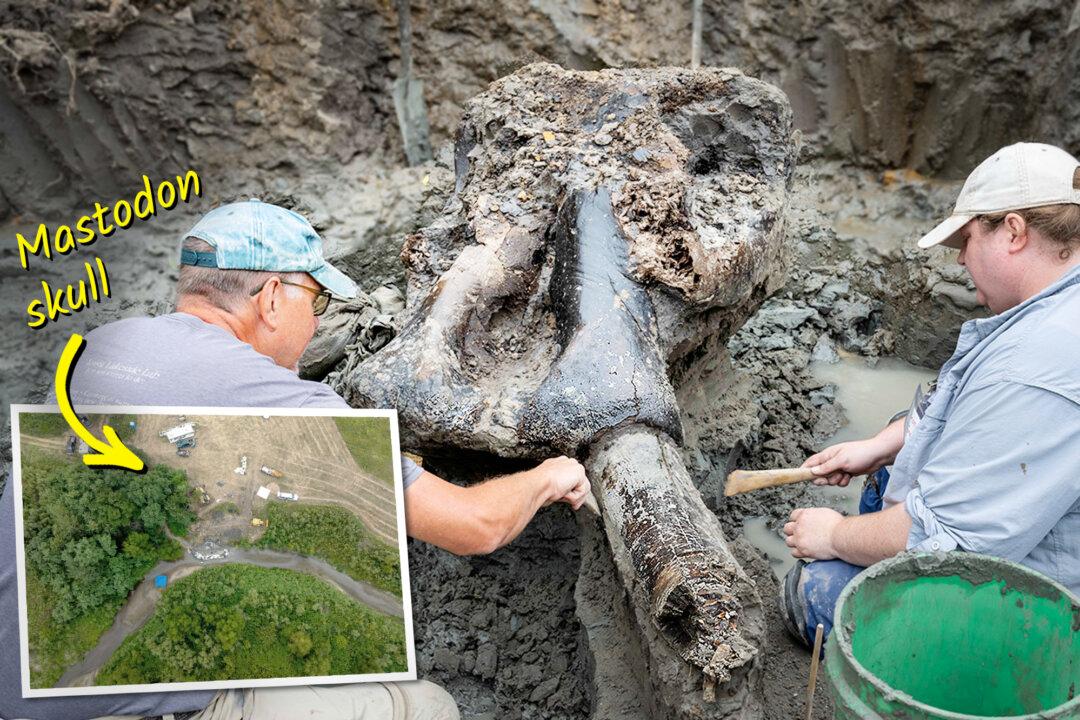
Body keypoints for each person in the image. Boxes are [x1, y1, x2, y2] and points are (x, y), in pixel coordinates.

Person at [0, 199, 591, 720]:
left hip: (26, 692)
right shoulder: (273, 394)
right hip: (130, 709)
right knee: (427, 707)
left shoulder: (98, 348)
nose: (317, 322)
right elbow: (473, 526)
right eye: (319, 298)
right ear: (275, 297)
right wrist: (548, 475)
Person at [778, 142, 1080, 649]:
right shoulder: (1053, 311)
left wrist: (832, 536)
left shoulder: (1034, 367)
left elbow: (946, 542)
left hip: (1046, 611)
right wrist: (879, 444)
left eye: (966, 238)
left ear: (1012, 232)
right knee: (899, 443)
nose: (960, 258)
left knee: (815, 594)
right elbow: (952, 405)